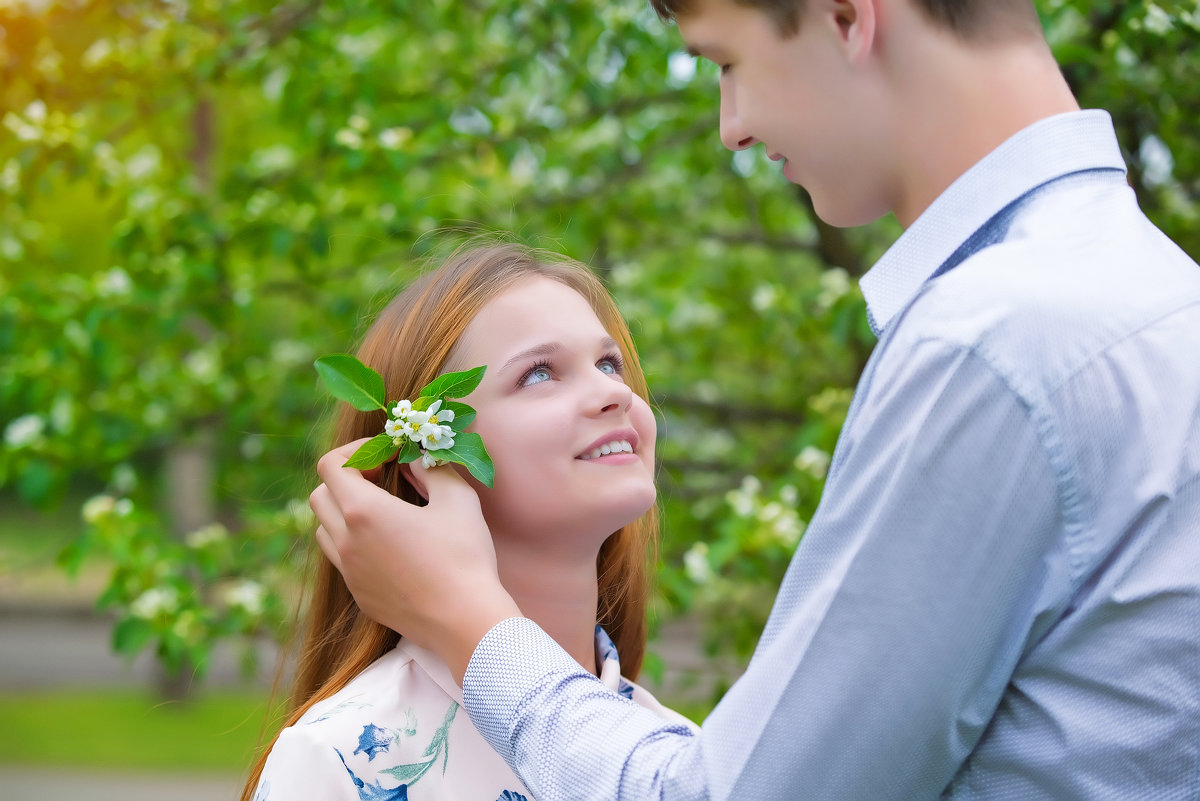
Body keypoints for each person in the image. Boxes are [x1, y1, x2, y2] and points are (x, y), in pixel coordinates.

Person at [310, 0, 1200, 798]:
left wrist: (468, 617)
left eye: (726, 62)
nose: (731, 128)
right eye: (541, 372)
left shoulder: (993, 342)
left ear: (848, 18)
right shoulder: (1163, 296)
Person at [242, 242, 697, 801]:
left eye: (608, 364)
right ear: (427, 461)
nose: (613, 392)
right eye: (538, 374)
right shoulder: (345, 761)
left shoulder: (679, 757)